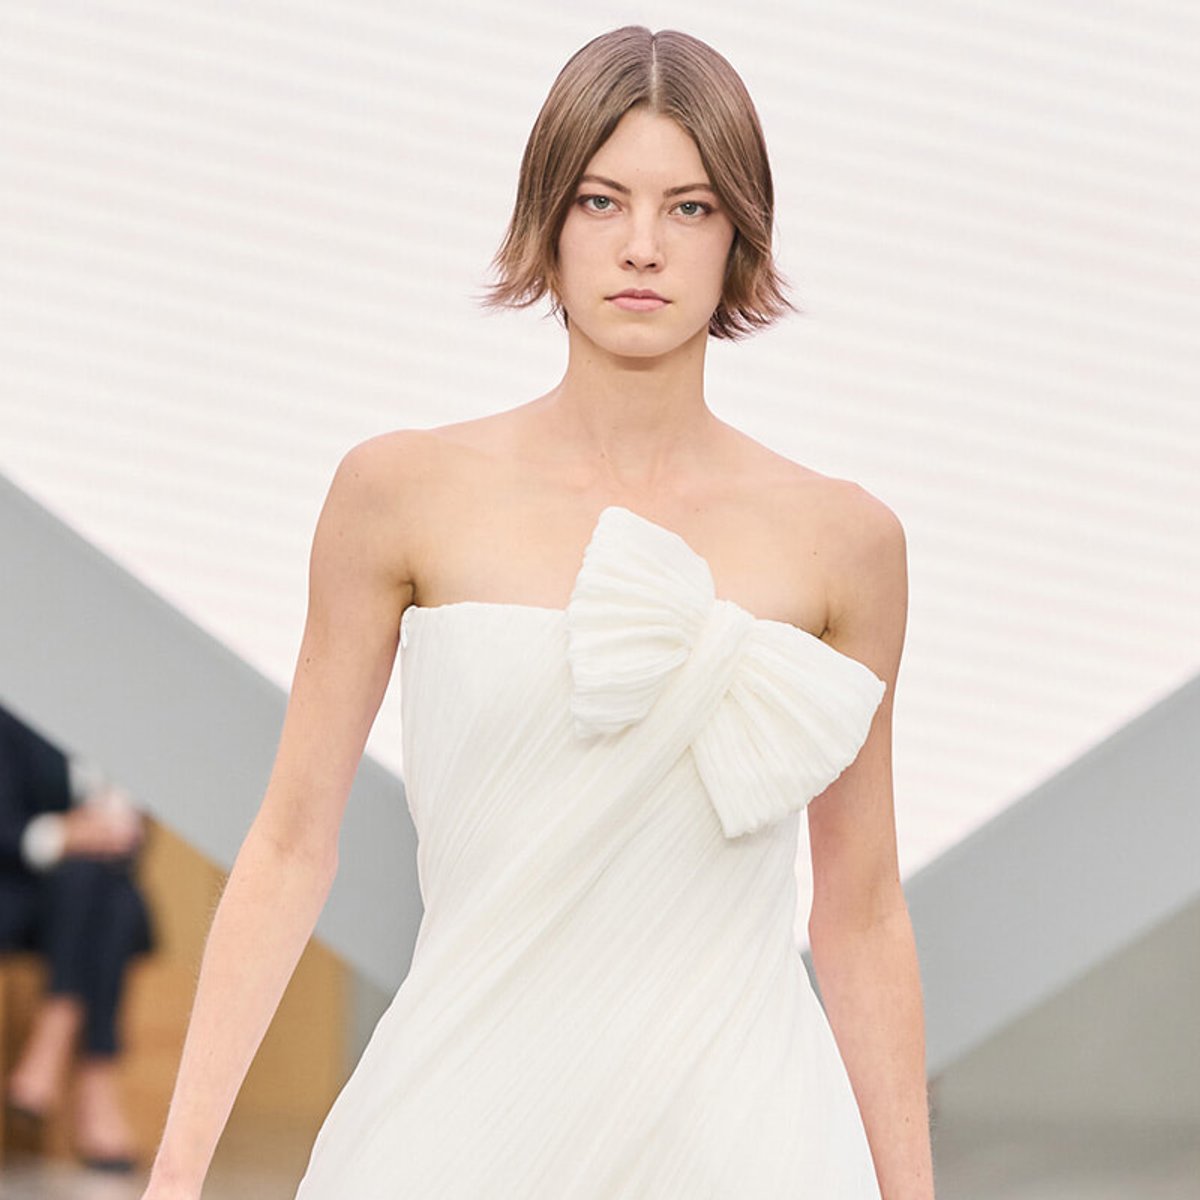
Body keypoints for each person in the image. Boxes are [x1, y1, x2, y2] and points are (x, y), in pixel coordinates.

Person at [142, 24, 934, 1199]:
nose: (642, 249)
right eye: (602, 201)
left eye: (690, 207)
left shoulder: (847, 541)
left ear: (740, 238)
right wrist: (174, 1179)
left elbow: (860, 909)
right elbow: (292, 844)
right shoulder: (399, 493)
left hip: (751, 1137)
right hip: (459, 1123)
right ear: (547, 222)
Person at [0, 702, 153, 1172]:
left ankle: (53, 1038)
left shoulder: (124, 725)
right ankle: (96, 1091)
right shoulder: (14, 716)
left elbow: (137, 827)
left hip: (91, 899)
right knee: (107, 894)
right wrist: (64, 835)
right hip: (20, 889)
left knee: (102, 886)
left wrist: (113, 832)